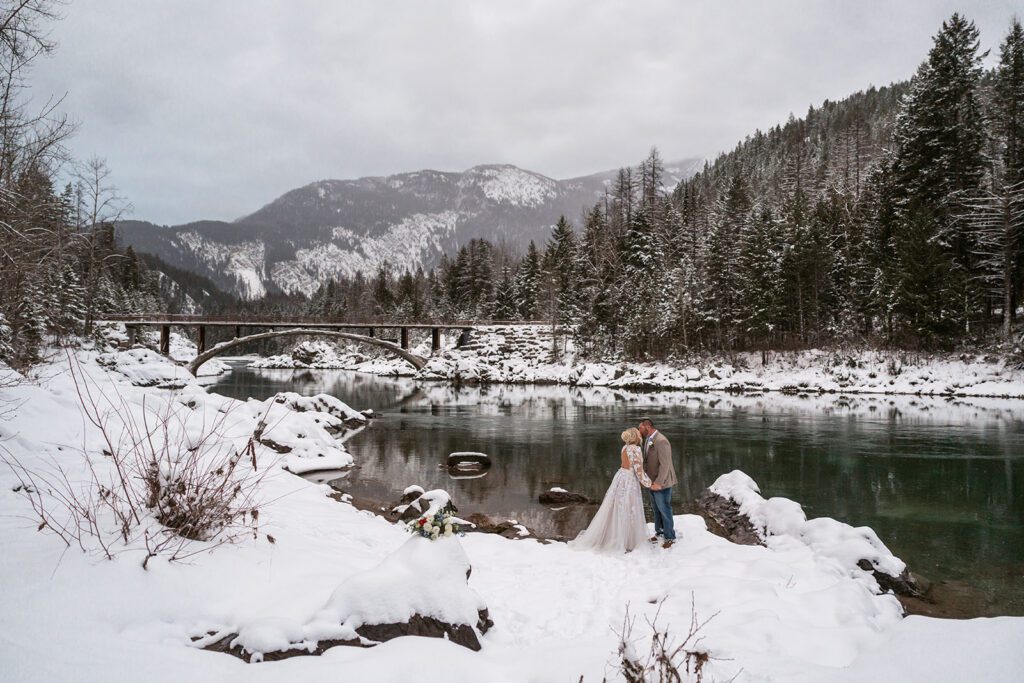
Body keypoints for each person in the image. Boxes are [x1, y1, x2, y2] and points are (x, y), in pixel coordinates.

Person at [569, 427, 652, 553]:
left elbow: (625, 465)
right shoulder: (636, 449)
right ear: (636, 437)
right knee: (629, 508)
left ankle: (612, 536)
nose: (641, 436)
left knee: (616, 508)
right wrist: (650, 483)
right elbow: (639, 471)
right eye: (639, 434)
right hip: (629, 481)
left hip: (620, 477)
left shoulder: (624, 448)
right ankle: (626, 541)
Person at [639, 417, 677, 548]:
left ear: (647, 427)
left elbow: (665, 465)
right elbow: (647, 461)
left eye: (640, 428)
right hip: (652, 481)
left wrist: (659, 482)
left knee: (664, 509)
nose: (639, 430)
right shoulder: (648, 440)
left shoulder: (661, 441)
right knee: (656, 509)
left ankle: (670, 537)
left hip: (662, 482)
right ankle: (659, 532)